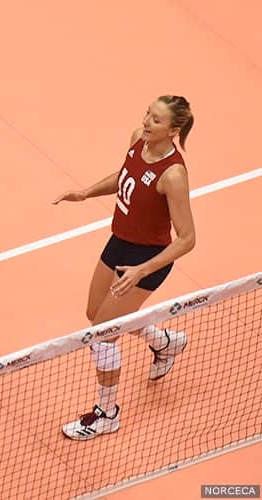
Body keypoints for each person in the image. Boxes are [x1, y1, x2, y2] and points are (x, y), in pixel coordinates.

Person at [53, 96, 196, 440]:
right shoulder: (138, 139)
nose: (147, 121)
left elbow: (187, 239)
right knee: (94, 313)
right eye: (148, 113)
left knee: (102, 333)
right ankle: (164, 342)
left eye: (157, 120)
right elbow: (126, 176)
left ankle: (107, 414)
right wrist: (86, 193)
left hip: (148, 259)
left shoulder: (174, 174)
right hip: (119, 243)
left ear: (174, 131)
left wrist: (142, 270)